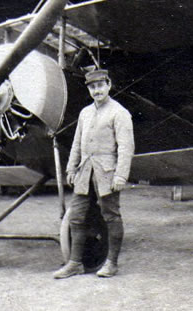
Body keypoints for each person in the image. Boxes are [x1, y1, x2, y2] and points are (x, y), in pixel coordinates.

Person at [53, 69, 134, 279]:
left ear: (109, 85)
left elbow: (126, 148)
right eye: (92, 87)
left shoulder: (119, 113)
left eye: (100, 86)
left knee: (111, 216)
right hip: (85, 172)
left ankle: (111, 263)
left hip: (107, 174)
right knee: (77, 217)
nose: (96, 91)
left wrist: (120, 176)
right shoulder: (85, 113)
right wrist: (71, 168)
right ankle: (75, 263)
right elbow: (76, 144)